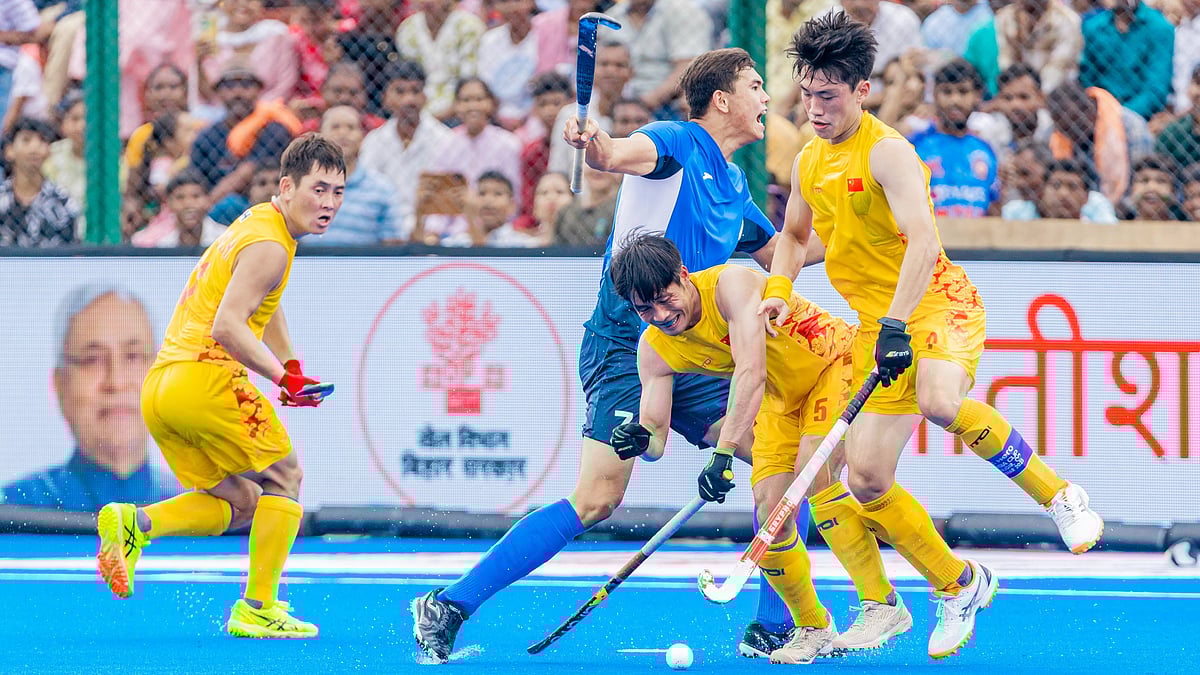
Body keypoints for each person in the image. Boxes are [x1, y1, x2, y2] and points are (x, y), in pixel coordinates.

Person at [412, 47, 826, 663]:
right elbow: (618, 154)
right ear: (722, 99)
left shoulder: (736, 185)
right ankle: (450, 604)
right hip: (625, 348)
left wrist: (871, 227)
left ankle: (775, 627)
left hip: (695, 353)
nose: (768, 98)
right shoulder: (677, 143)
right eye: (757, 85)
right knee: (598, 499)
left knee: (781, 467)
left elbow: (791, 253)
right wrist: (597, 144)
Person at [770, 11, 1104, 658]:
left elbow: (924, 241)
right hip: (879, 323)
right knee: (864, 478)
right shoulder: (811, 160)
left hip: (936, 303)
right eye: (807, 93)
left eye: (828, 95)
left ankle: (1058, 494)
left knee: (942, 400)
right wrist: (779, 294)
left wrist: (897, 323)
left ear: (862, 90)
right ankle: (959, 583)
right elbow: (793, 236)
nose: (814, 107)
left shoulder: (888, 150)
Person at [608, 233, 911, 661]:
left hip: (833, 362)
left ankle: (883, 602)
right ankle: (812, 625)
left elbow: (751, 372)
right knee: (772, 510)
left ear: (683, 275)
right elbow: (655, 436)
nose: (660, 315)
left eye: (664, 299)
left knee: (815, 474)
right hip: (782, 400)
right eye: (644, 309)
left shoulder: (729, 287)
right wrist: (640, 439)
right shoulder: (654, 349)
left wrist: (724, 453)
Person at [94, 134, 346, 639]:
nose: (329, 204)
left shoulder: (258, 222)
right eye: (318, 190)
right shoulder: (273, 246)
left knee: (242, 502)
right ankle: (258, 606)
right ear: (287, 185)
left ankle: (135, 524)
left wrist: (292, 363)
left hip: (164, 388)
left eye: (338, 192)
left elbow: (260, 305)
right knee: (286, 478)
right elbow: (228, 327)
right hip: (207, 379)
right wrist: (281, 378)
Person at [1, 283, 179, 510]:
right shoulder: (13, 510)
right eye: (92, 359)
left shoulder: (203, 513)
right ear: (60, 384)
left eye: (133, 357)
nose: (116, 382)